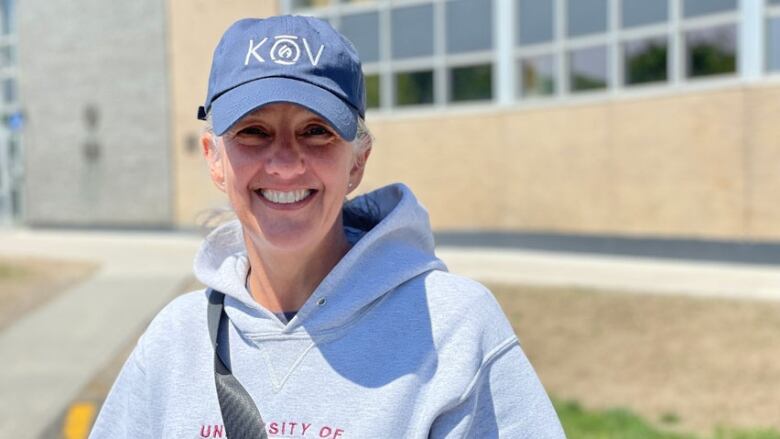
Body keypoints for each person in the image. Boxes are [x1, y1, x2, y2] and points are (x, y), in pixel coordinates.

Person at [90, 15, 565, 438]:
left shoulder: (453, 329)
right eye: (253, 132)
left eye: (316, 131)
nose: (284, 164)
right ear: (214, 159)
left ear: (358, 161)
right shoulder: (174, 341)